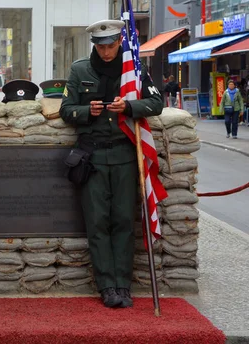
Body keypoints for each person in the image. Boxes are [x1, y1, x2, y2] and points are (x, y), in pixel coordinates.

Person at [59, 19, 163, 309]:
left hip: (125, 156)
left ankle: (123, 284)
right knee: (98, 222)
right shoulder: (80, 69)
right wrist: (86, 111)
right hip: (92, 158)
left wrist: (129, 107)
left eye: (111, 46)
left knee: (123, 222)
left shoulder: (134, 69)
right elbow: (66, 110)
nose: (106, 52)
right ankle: (107, 286)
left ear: (120, 43)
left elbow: (156, 103)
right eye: (100, 47)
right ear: (94, 45)